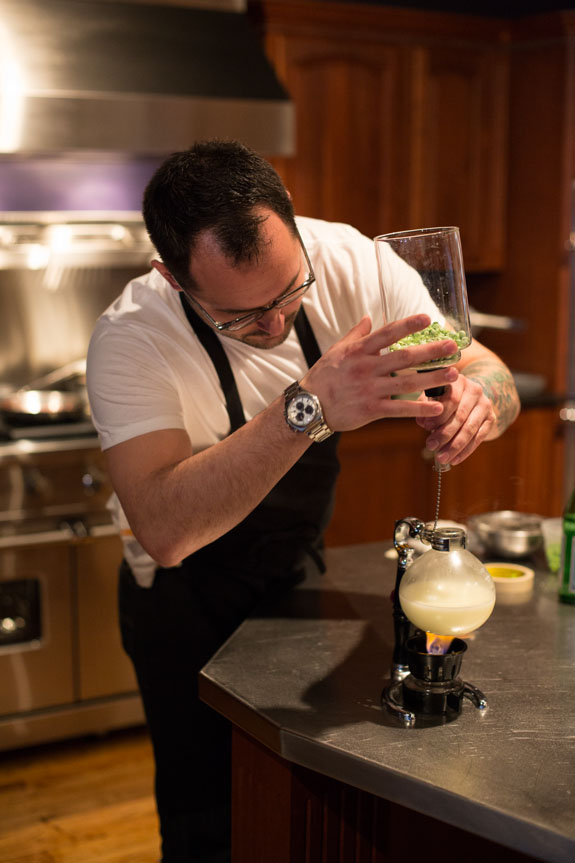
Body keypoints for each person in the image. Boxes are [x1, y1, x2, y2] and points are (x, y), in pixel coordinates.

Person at [86, 139, 520, 862]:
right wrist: (308, 406)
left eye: (290, 292)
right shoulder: (132, 337)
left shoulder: (353, 261)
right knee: (207, 820)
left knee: (308, 796)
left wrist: (481, 403)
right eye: (240, 316)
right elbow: (163, 529)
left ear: (293, 220)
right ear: (171, 276)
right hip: (183, 597)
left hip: (295, 567)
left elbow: (479, 364)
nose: (275, 322)